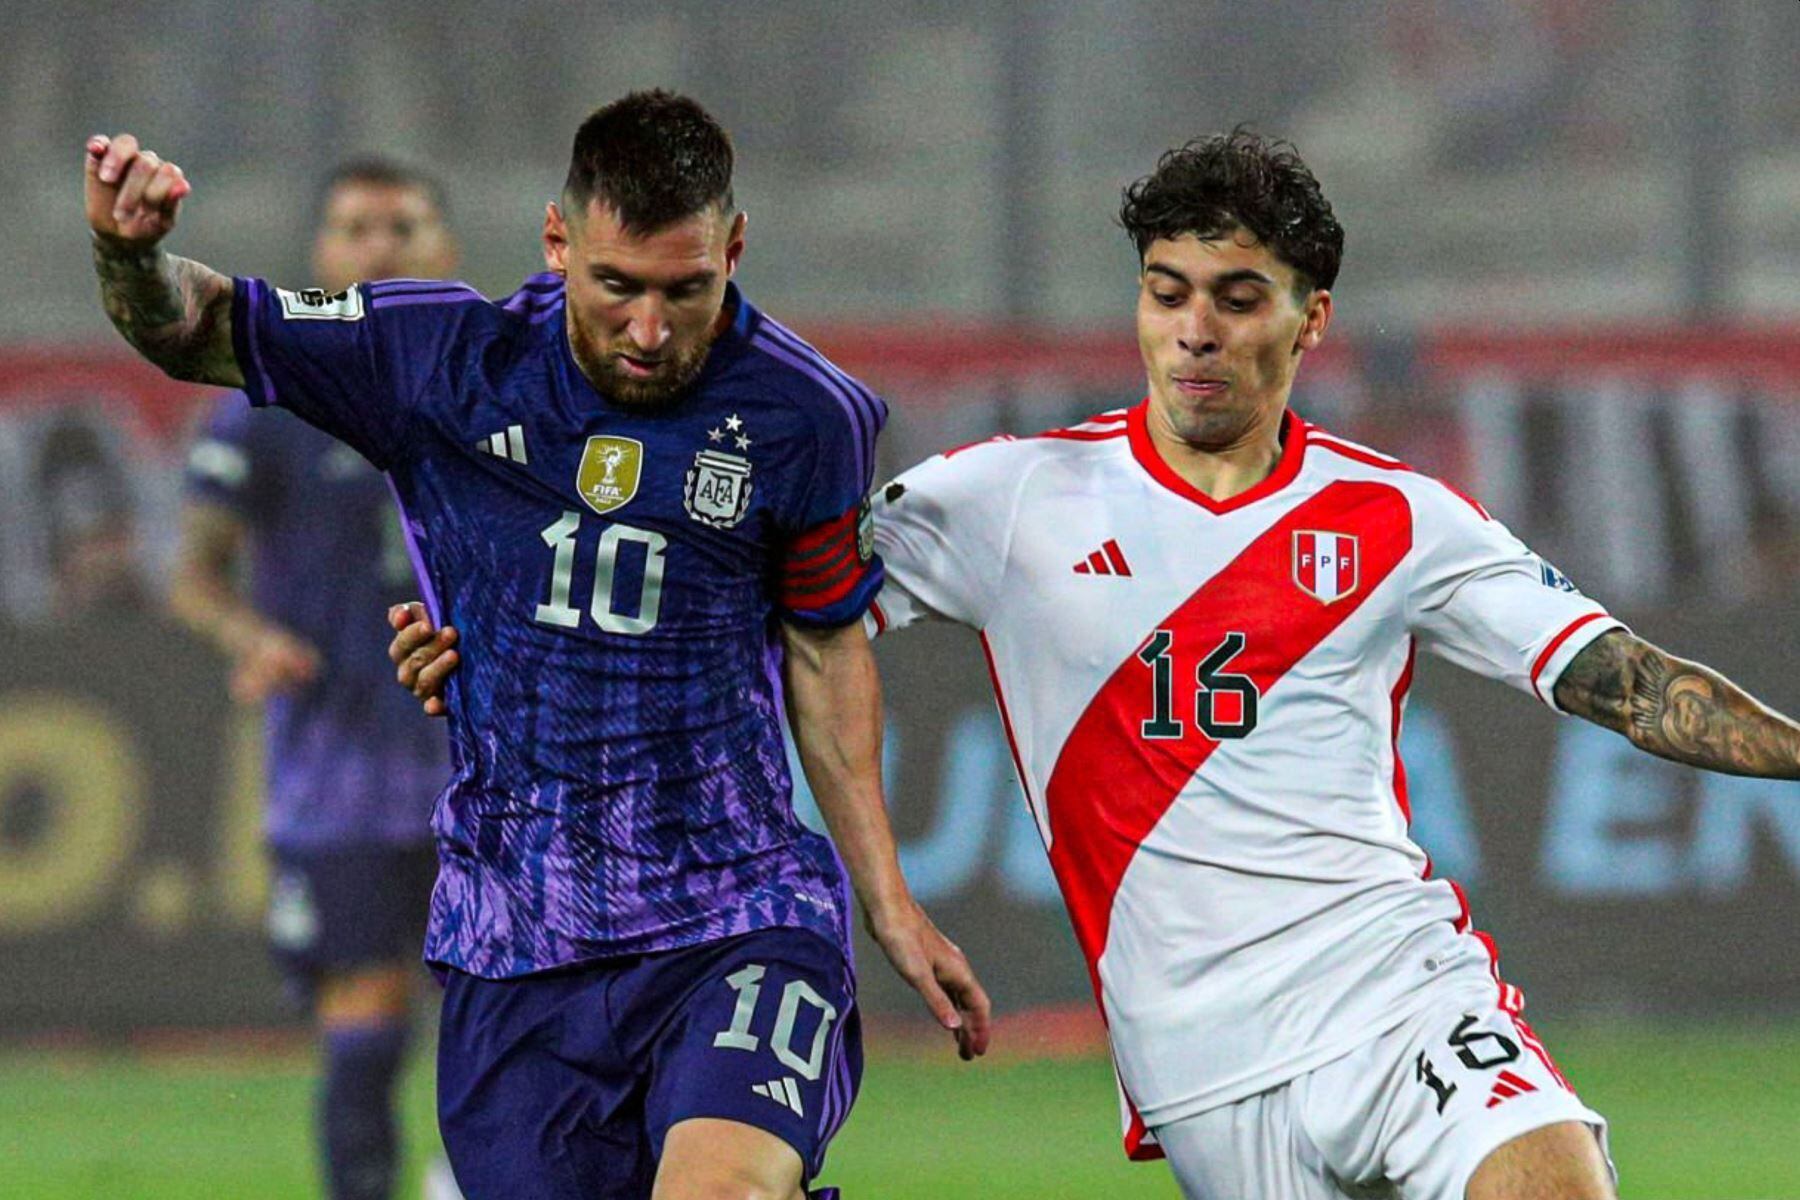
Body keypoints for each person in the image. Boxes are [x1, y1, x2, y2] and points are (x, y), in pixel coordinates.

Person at [385, 128, 1800, 1200]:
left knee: (1551, 1176)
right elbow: (757, 615)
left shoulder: (1397, 517)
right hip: (1201, 1067)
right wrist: (497, 642)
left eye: (1238, 298)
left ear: (1309, 320)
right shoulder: (1006, 500)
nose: (1194, 327)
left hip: (1395, 989)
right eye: (1168, 289)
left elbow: (1620, 674)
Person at [84, 89, 989, 1200]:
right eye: (618, 287)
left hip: (738, 912)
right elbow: (193, 324)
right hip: (517, 941)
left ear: (734, 250)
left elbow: (824, 650)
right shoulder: (438, 357)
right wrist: (129, 252)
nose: (650, 330)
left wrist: (887, 903)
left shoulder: (809, 414)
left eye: (686, 290)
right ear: (558, 241)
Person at [168, 158, 459, 1200]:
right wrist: (249, 635)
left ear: (445, 250)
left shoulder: (492, 389)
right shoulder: (266, 403)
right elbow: (195, 575)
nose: (379, 245)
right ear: (322, 256)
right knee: (367, 1023)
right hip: (339, 776)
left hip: (496, 775)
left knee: (520, 1025)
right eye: (355, 227)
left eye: (403, 224)